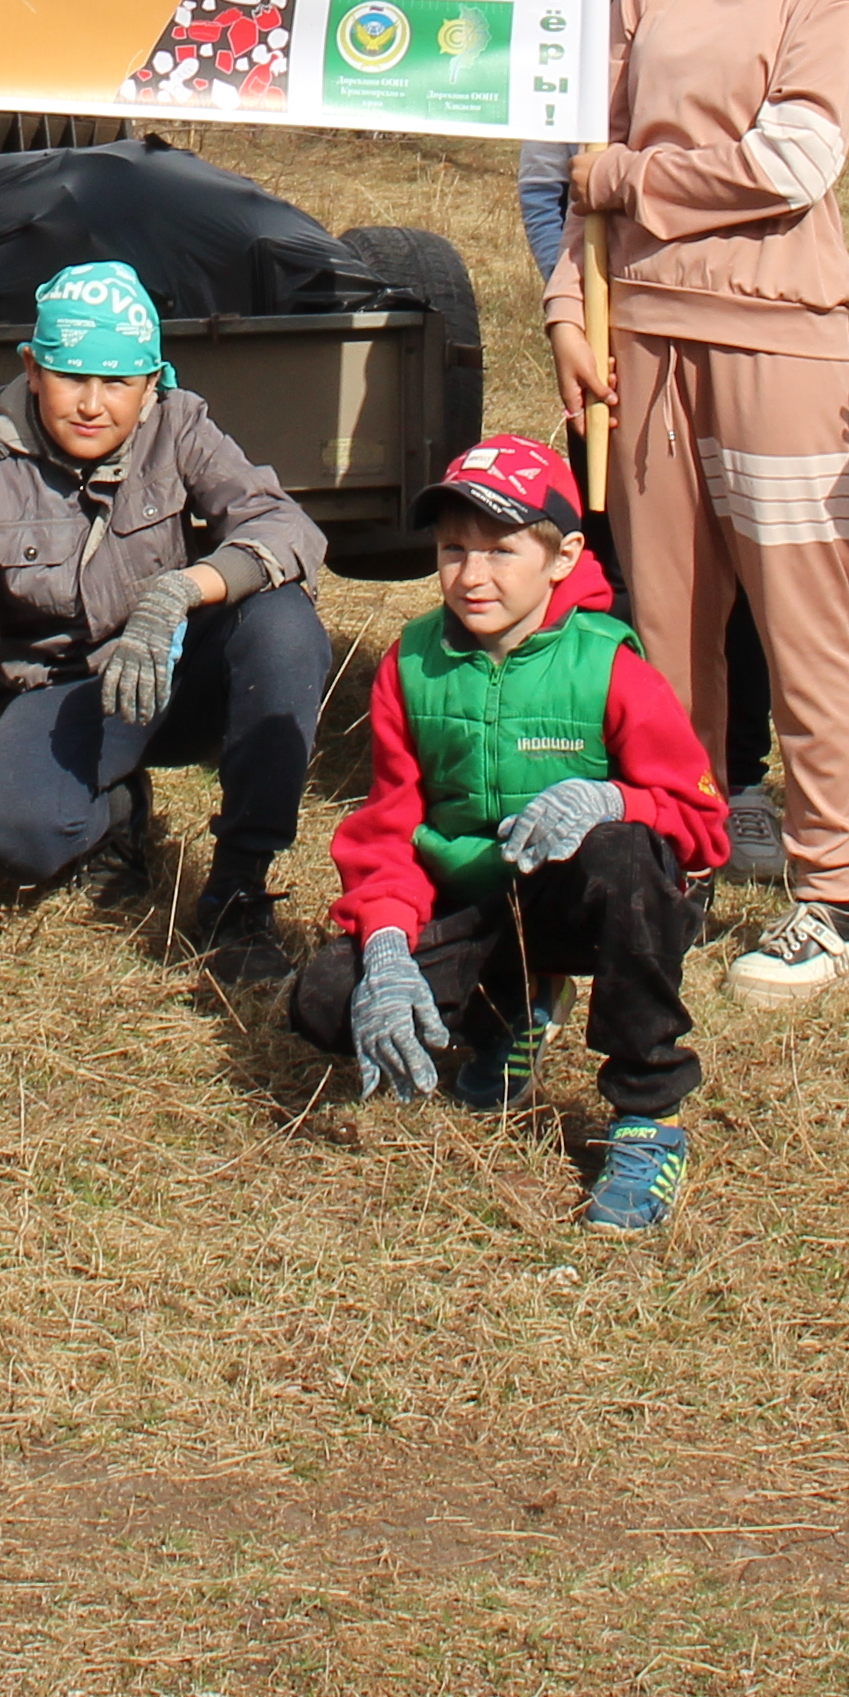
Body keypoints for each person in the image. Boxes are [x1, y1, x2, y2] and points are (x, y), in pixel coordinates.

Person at [550, 0, 849, 1000]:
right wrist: (566, 320)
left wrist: (636, 181)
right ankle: (678, 867)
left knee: (802, 628)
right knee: (668, 631)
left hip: (781, 338)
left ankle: (833, 894)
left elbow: (793, 163)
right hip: (640, 340)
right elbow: (575, 177)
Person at [296, 438, 725, 1235]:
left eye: (500, 551)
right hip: (476, 905)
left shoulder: (610, 663)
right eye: (453, 549)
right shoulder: (412, 662)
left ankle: (646, 1113)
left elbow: (701, 822)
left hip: (587, 903)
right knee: (325, 999)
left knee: (625, 858)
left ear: (563, 557)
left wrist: (612, 800)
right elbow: (390, 829)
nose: (472, 575)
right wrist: (388, 950)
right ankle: (512, 1010)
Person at [0, 259, 332, 963]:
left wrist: (179, 593)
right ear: (32, 369)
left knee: (284, 624)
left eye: (118, 383)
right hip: (70, 693)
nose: (93, 404)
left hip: (177, 667)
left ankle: (239, 889)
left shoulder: (181, 424)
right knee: (16, 835)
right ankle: (116, 816)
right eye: (72, 376)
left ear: (151, 384)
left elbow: (287, 530)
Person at [520, 0, 780, 890]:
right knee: (623, 562)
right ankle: (634, 771)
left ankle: (747, 781)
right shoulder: (583, 49)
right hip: (616, 339)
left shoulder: (732, 19)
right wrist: (574, 322)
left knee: (740, 569)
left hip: (721, 325)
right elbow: (551, 191)